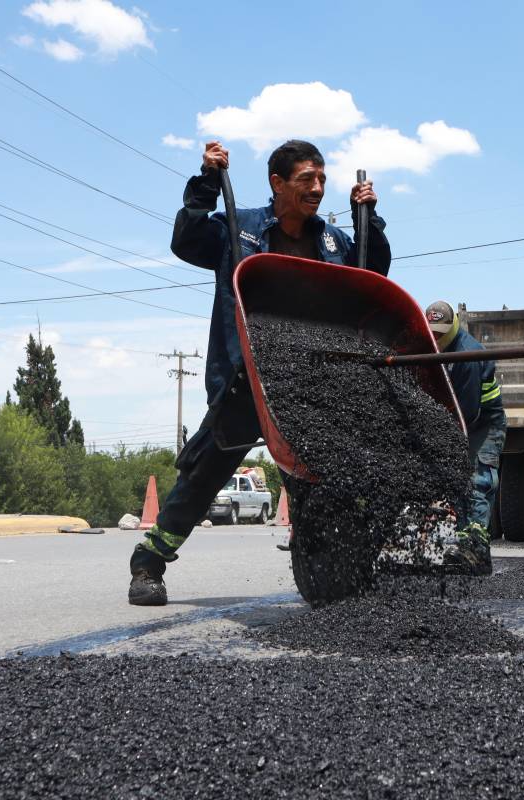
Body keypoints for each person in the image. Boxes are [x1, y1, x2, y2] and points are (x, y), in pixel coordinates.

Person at [128, 139, 391, 606]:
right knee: (209, 469)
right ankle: (149, 561)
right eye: (307, 178)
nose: (317, 187)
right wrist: (206, 184)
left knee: (323, 476)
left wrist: (369, 218)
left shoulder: (332, 241)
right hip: (246, 375)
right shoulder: (240, 228)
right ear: (277, 182)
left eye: (323, 179)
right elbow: (186, 241)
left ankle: (335, 573)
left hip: (314, 380)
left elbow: (372, 274)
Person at [425, 302, 507, 575]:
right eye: (432, 332)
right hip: (460, 420)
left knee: (478, 480)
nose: (436, 338)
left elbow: (469, 413)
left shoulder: (467, 355)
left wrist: (444, 438)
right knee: (460, 484)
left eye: (440, 333)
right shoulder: (436, 347)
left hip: (484, 423)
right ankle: (468, 549)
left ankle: (476, 549)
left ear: (454, 326)